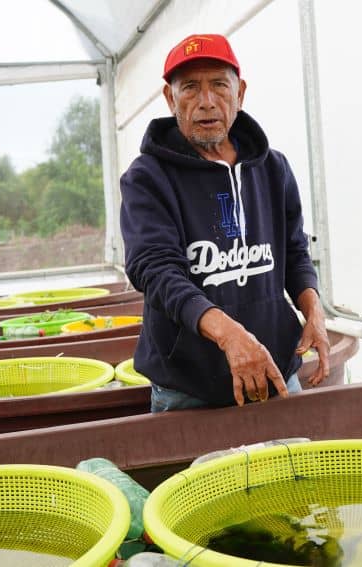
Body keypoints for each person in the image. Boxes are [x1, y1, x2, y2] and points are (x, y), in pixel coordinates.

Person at [119, 33, 330, 412]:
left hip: (277, 372)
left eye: (219, 84)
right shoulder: (147, 177)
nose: (206, 101)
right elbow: (156, 271)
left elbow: (294, 251)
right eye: (189, 87)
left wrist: (313, 308)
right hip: (188, 389)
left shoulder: (274, 168)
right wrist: (229, 335)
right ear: (170, 98)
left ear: (240, 92)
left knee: (293, 453)